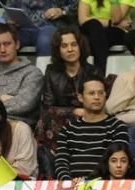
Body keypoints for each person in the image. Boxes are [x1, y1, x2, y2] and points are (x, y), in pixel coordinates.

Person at [36, 27, 99, 167]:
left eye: (74, 44)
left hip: (86, 118)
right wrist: (72, 112)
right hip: (59, 119)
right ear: (58, 50)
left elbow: (97, 102)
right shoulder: (51, 71)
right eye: (64, 46)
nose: (70, 49)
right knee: (46, 118)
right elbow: (48, 105)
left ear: (80, 46)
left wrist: (82, 113)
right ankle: (51, 167)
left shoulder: (92, 71)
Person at [54, 76, 129, 180]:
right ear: (80, 97)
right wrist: (68, 183)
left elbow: (118, 161)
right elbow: (61, 162)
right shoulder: (68, 129)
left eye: (101, 93)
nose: (97, 97)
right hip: (73, 187)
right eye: (91, 93)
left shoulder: (117, 126)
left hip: (105, 186)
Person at [78, 0, 134, 76]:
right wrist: (109, 23)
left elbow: (116, 19)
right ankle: (101, 73)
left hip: (115, 32)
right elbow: (82, 20)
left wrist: (114, 2)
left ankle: (97, 74)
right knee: (94, 25)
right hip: (91, 31)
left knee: (95, 33)